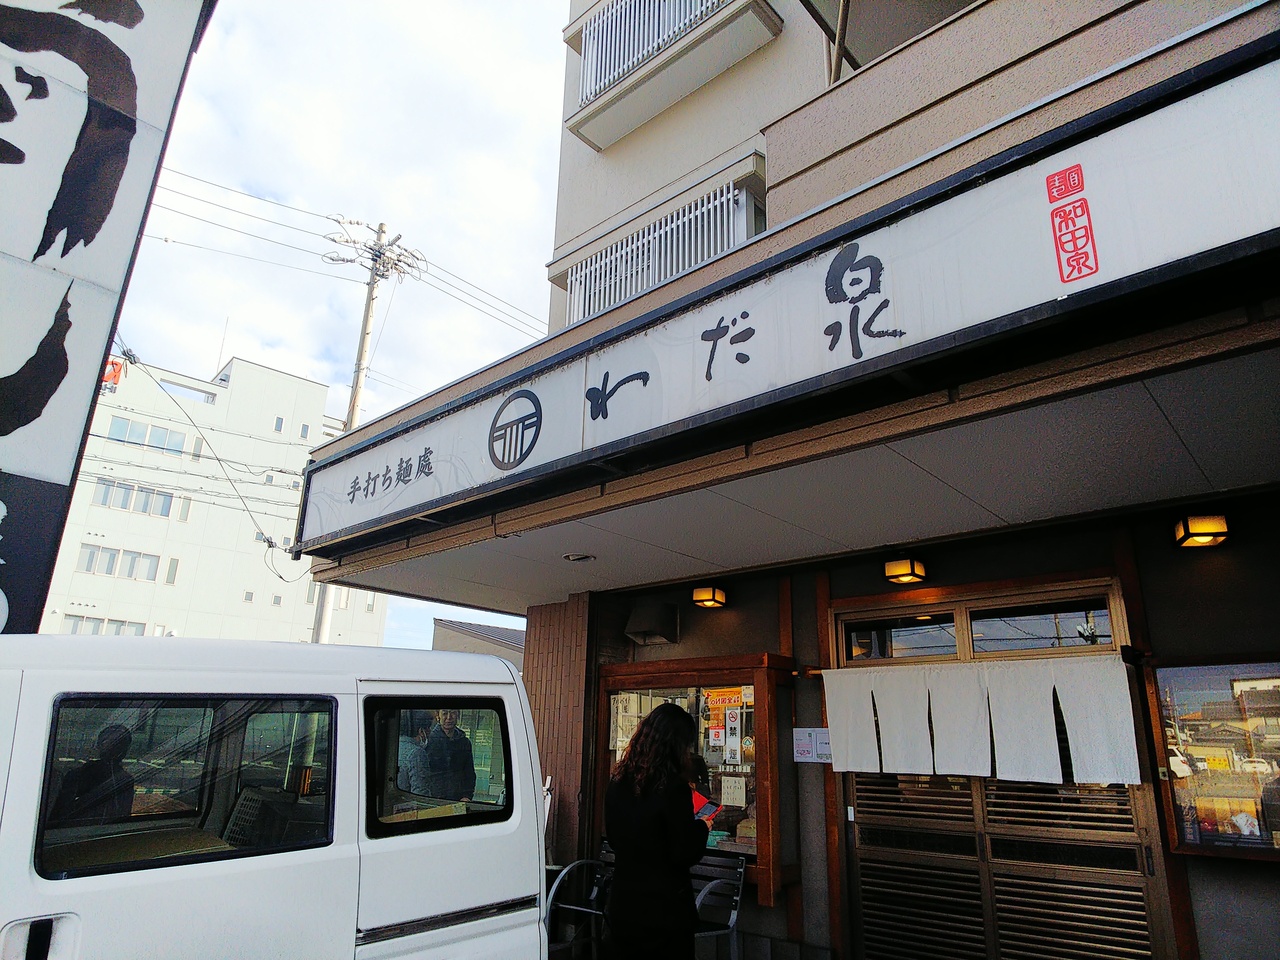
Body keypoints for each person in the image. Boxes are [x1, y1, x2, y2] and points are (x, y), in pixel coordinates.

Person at [604, 703, 711, 960]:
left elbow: (615, 839)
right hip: (664, 910)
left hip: (623, 904)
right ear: (676, 745)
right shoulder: (674, 789)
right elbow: (683, 851)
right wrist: (702, 826)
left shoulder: (618, 781)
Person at [49, 723, 135, 825]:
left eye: (119, 745)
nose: (114, 748)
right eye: (110, 743)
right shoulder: (79, 775)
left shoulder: (125, 780)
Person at [424, 707, 475, 801]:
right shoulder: (428, 741)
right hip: (433, 798)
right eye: (444, 713)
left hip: (458, 799)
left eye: (453, 713)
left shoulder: (464, 742)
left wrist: (467, 795)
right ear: (438, 715)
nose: (449, 717)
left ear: (458, 715)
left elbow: (469, 772)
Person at [397, 709, 432, 794]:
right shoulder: (417, 753)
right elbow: (420, 792)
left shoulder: (395, 746)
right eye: (428, 729)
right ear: (421, 731)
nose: (430, 732)